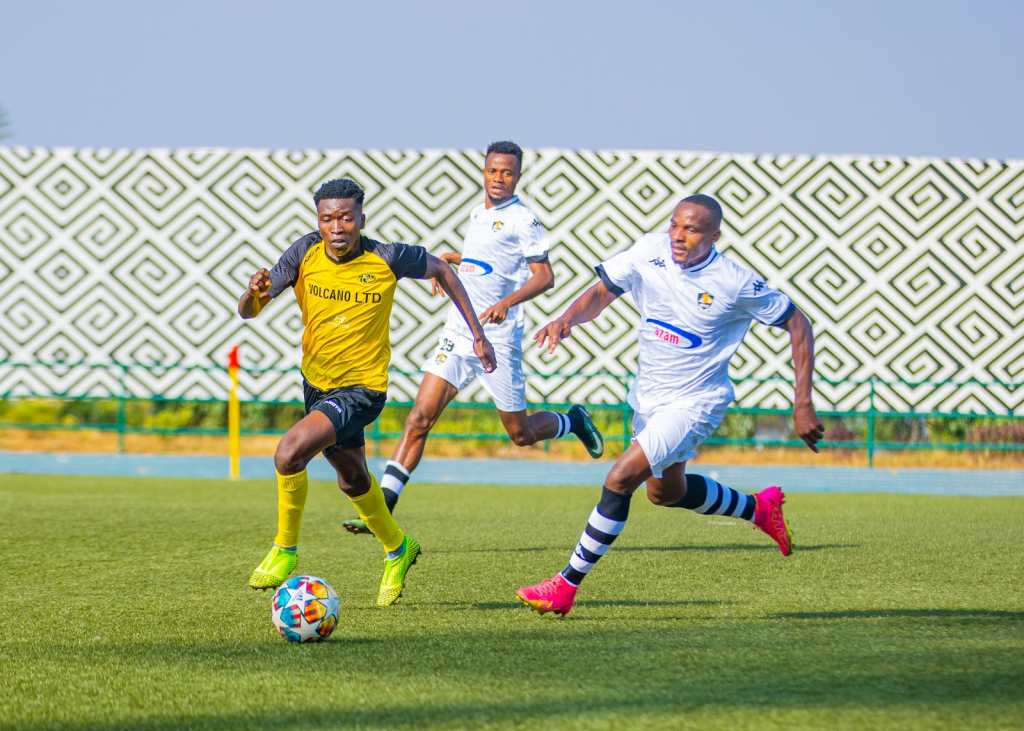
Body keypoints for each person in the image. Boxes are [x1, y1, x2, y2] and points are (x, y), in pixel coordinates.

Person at [516, 194, 824, 616]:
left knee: (620, 478)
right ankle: (759, 508)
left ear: (714, 236)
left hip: (696, 402)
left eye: (692, 229)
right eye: (675, 225)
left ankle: (565, 586)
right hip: (649, 398)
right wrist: (567, 318)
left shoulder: (733, 281)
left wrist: (802, 402)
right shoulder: (649, 250)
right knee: (665, 492)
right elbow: (602, 292)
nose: (679, 236)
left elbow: (798, 322)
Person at [239, 178, 496, 606]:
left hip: (362, 389)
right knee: (352, 479)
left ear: (361, 218)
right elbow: (249, 312)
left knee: (289, 453)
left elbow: (444, 271)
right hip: (316, 384)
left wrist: (477, 334)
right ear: (318, 222)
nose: (336, 227)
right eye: (327, 218)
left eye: (345, 217)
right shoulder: (305, 252)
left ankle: (284, 548)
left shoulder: (388, 257)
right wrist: (253, 293)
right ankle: (399, 550)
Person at [342, 141, 603, 536]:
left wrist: (508, 302)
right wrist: (455, 260)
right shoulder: (477, 213)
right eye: (493, 171)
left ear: (518, 176)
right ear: (484, 171)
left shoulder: (524, 220)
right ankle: (382, 510)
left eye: (508, 173)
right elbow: (491, 264)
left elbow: (544, 276)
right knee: (418, 419)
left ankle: (573, 420)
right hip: (459, 330)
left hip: (497, 340)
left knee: (521, 435)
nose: (499, 179)